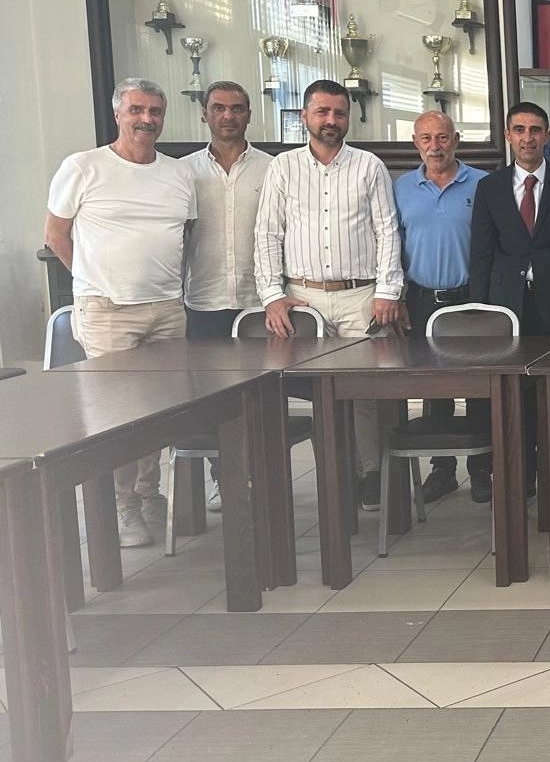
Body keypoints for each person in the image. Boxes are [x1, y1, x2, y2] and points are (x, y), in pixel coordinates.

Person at [46, 78, 197, 548]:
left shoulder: (178, 174)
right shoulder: (83, 167)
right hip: (108, 311)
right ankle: (122, 505)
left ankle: (150, 494)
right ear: (117, 114)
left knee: (159, 411)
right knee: (116, 416)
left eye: (155, 111)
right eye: (136, 110)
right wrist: (92, 283)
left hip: (167, 308)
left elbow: (184, 236)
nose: (146, 119)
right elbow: (56, 235)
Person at [256, 80, 405, 511]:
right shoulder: (283, 168)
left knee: (365, 393)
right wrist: (271, 294)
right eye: (322, 112)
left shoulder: (368, 166)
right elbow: (268, 233)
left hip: (361, 296)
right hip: (303, 299)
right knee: (314, 393)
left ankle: (370, 473)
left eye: (339, 113)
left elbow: (387, 231)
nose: (331, 121)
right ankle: (334, 477)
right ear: (304, 116)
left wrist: (387, 290)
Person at [470, 102, 550, 493]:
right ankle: (522, 477)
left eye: (536, 130)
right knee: (515, 398)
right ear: (508, 135)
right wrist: (481, 311)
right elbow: (481, 253)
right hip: (507, 307)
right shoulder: (490, 187)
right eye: (520, 130)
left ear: (547, 136)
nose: (528, 138)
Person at [181, 80, 271, 513]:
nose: (228, 116)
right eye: (219, 108)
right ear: (205, 114)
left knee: (261, 398)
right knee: (212, 399)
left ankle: (263, 477)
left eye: (237, 108)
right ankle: (225, 478)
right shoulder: (184, 171)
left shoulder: (273, 168)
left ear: (249, 114)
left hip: (259, 303)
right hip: (204, 300)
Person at [394, 111, 488, 505]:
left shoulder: (483, 183)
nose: (435, 147)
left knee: (480, 387)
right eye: (427, 139)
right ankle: (442, 469)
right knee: (434, 390)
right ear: (416, 143)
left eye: (443, 138)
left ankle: (482, 469)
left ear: (456, 140)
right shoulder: (401, 188)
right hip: (420, 300)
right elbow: (391, 245)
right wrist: (397, 296)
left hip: (470, 299)